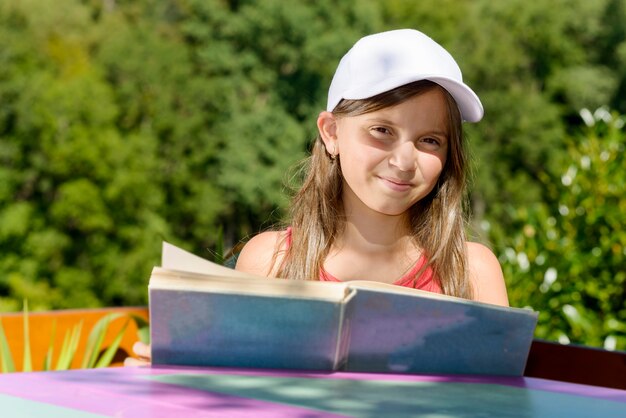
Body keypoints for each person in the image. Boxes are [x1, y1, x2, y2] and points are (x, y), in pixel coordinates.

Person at [125, 28, 508, 367]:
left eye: (429, 140)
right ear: (331, 133)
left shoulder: (471, 272)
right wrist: (172, 372)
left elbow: (501, 405)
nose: (404, 160)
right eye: (381, 130)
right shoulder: (270, 263)